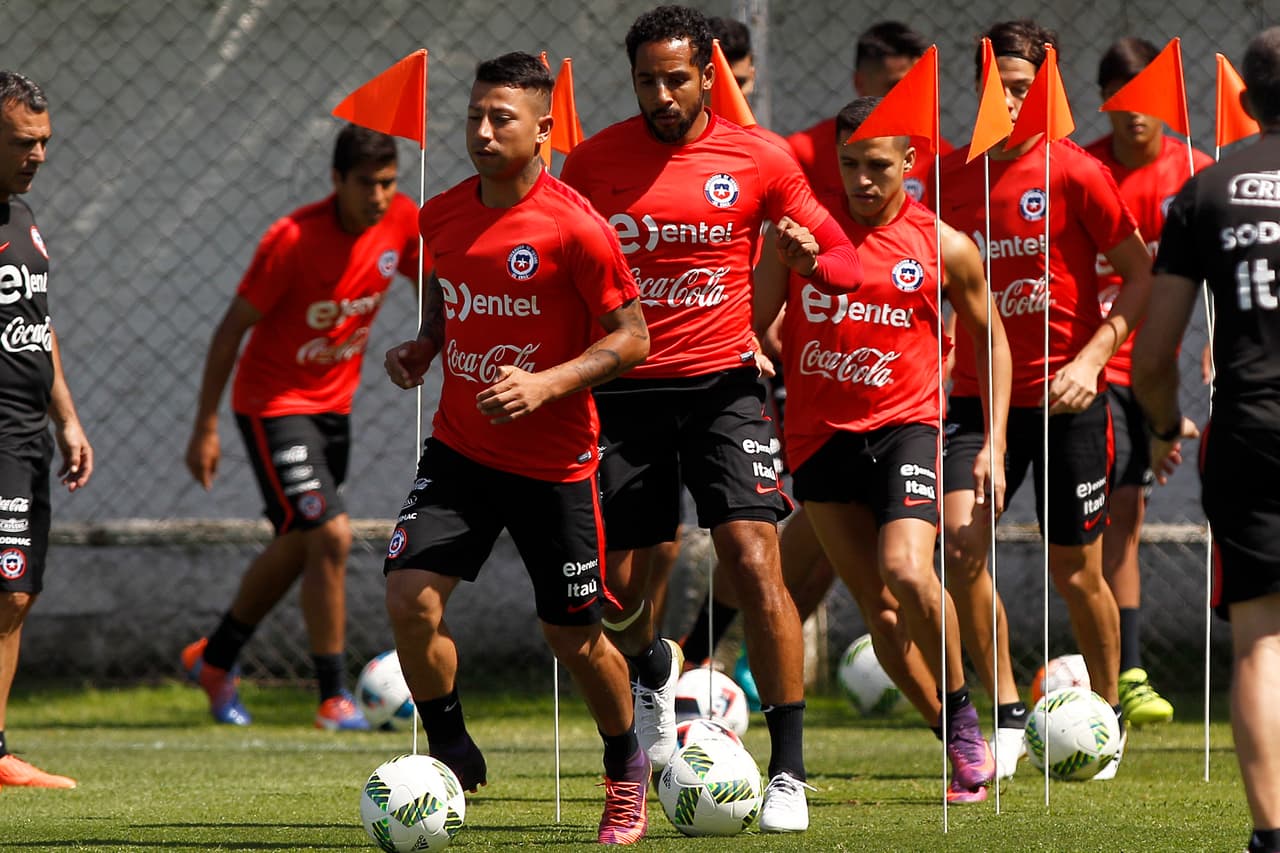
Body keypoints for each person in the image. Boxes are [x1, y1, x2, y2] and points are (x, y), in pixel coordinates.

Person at [560, 4, 862, 832]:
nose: (661, 94)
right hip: (625, 394)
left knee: (751, 555)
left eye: (676, 78)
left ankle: (790, 771)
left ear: (707, 76)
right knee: (620, 591)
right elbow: (548, 254)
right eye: (646, 81)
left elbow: (842, 253)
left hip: (726, 387)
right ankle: (654, 668)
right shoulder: (590, 162)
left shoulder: (759, 156)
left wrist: (811, 259)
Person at [381, 52, 652, 845]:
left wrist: (547, 383)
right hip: (461, 451)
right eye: (474, 115)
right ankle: (451, 745)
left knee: (571, 635)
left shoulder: (576, 226)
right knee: (408, 597)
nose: (483, 130)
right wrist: (427, 344)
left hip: (554, 465)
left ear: (543, 129)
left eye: (502, 117)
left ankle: (625, 765)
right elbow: (448, 292)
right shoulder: (439, 214)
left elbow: (633, 338)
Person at [757, 96, 1012, 803]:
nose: (862, 180)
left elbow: (992, 335)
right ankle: (951, 734)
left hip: (907, 427)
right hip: (818, 438)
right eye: (848, 164)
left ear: (910, 162)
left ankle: (964, 707)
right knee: (880, 610)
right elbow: (756, 319)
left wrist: (993, 437)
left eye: (877, 165)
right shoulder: (805, 232)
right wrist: (771, 329)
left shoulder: (944, 244)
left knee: (906, 568)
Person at [932, 19, 1153, 781]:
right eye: (1000, 88)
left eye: (1025, 90)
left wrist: (1095, 358)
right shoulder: (945, 179)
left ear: (1045, 91)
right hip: (975, 403)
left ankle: (1106, 717)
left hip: (1068, 401)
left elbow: (1143, 277)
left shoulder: (1077, 172)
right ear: (977, 87)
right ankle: (1004, 715)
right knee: (961, 550)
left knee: (1075, 570)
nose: (1013, 102)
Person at [182, 123, 423, 730]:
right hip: (273, 406)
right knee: (331, 536)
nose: (378, 196)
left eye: (388, 183)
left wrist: (437, 341)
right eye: (365, 184)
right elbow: (229, 331)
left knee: (301, 541)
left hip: (333, 413)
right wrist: (205, 427)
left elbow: (438, 287)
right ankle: (332, 696)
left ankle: (215, 659)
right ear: (337, 180)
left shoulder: (402, 221)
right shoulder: (291, 240)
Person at [1132, 28, 1280, 853]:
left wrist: (1160, 423)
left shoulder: (1205, 189)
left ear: (1247, 102)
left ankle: (1271, 834)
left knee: (1263, 637)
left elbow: (1155, 356)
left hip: (1252, 423)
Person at [1084, 36, 1214, 727]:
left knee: (1124, 517)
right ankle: (1111, 668)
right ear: (1105, 102)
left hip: (1148, 373)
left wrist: (1212, 352)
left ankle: (1123, 671)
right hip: (1091, 367)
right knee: (1106, 518)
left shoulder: (1194, 174)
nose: (1134, 115)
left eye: (1146, 100)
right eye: (1121, 99)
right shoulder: (1083, 170)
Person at [0, 71, 92, 789]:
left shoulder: (23, 217)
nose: (37, 155)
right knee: (6, 588)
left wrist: (67, 416)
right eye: (21, 142)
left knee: (17, 592)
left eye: (44, 142)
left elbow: (39, 326)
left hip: (30, 433)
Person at [788, 21, 954, 206]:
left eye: (917, 87)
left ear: (908, 159)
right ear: (859, 82)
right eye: (897, 87)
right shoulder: (803, 152)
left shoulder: (940, 157)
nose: (911, 98)